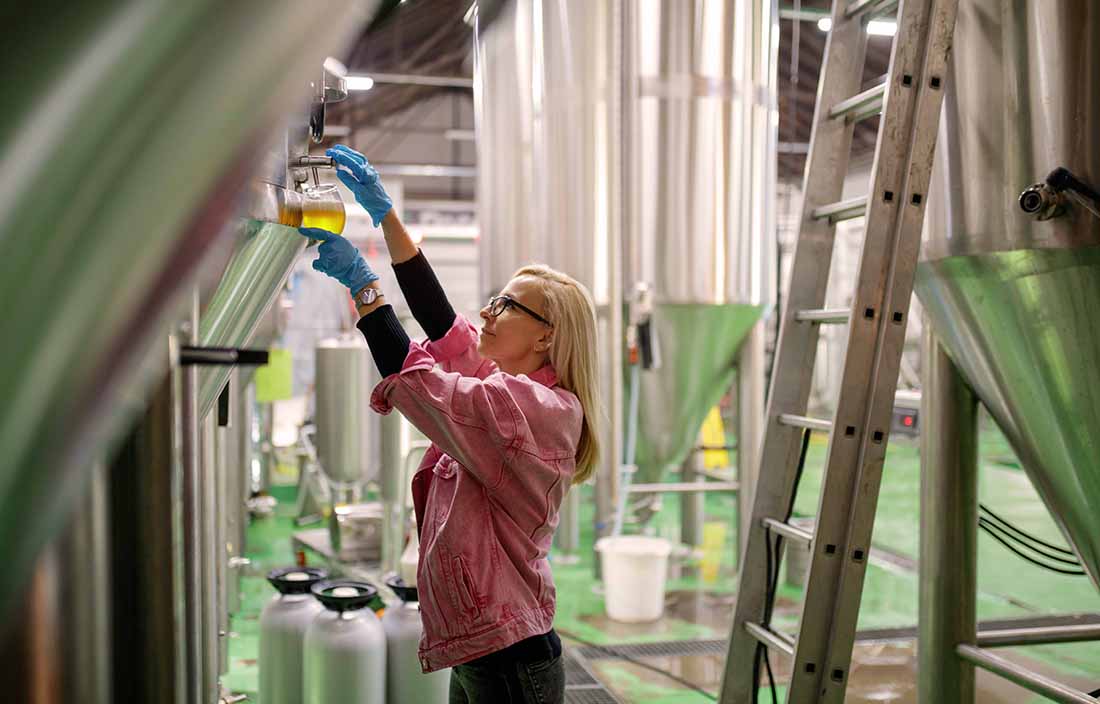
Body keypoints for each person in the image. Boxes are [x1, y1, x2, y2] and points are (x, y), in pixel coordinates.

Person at [298, 144, 602, 704]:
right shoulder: (511, 388)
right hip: (481, 648)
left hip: (511, 660)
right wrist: (385, 217)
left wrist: (364, 287)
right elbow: (446, 329)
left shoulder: (534, 411)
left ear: (547, 335)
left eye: (507, 305)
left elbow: (423, 383)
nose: (488, 311)